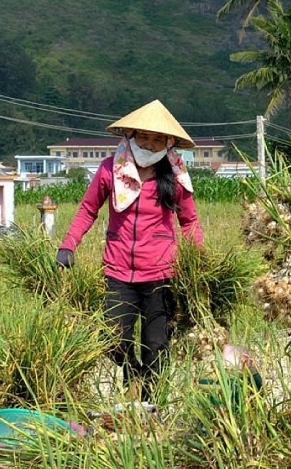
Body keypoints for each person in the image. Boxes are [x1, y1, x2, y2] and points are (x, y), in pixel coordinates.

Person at [56, 99, 204, 401]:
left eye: (157, 139)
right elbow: (87, 209)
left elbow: (189, 221)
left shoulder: (175, 175)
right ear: (130, 136)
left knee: (157, 346)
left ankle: (151, 405)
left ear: (168, 142)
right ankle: (133, 375)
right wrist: (68, 245)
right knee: (112, 340)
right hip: (118, 271)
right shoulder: (112, 170)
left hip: (161, 273)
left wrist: (198, 263)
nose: (149, 145)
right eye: (144, 137)